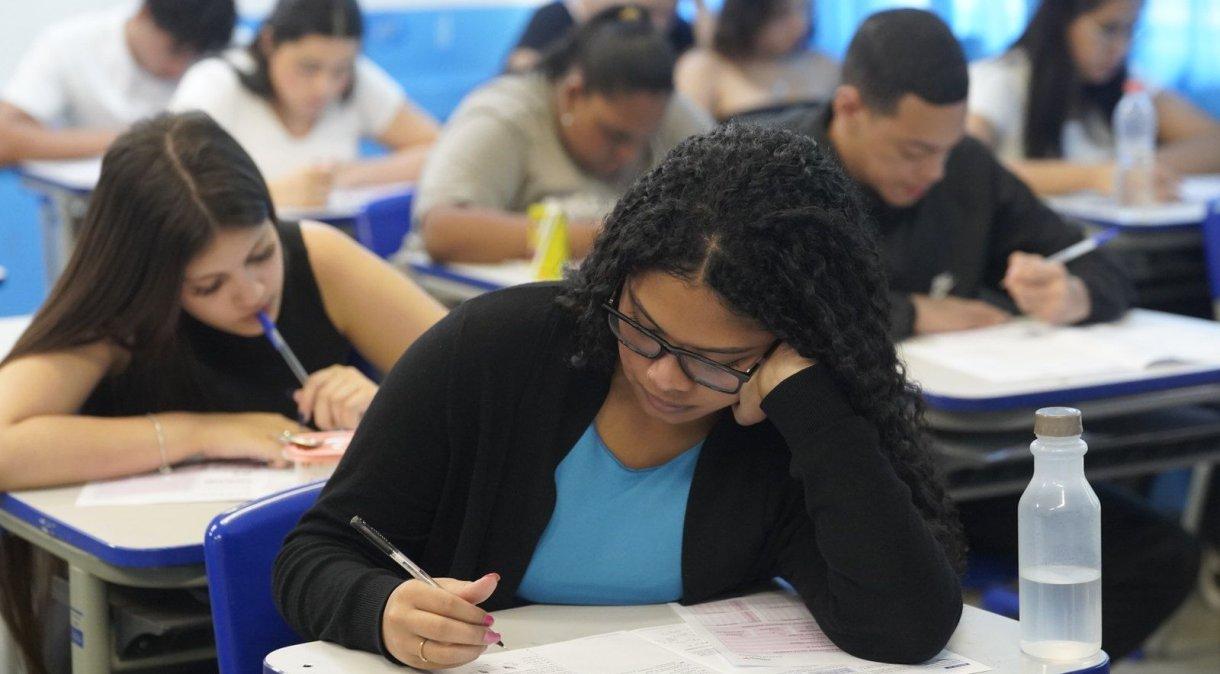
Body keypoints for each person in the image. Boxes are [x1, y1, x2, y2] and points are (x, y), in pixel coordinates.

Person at [274, 124, 966, 669]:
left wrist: (813, 409)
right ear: (615, 278)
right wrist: (382, 608)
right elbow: (316, 554)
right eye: (644, 330)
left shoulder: (788, 425)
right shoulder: (497, 350)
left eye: (715, 361)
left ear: (789, 344)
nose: (665, 376)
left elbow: (902, 628)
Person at [758, 9, 1199, 659]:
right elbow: (756, 305)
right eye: (914, 150)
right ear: (849, 108)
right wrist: (909, 312)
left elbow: (1097, 259)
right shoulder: (782, 173)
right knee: (907, 595)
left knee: (1161, 555)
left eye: (945, 147)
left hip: (970, 467)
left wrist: (1073, 292)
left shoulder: (964, 169)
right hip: (829, 475)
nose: (934, 172)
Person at [0, 112, 446, 674]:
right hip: (166, 612)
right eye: (209, 285)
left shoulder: (318, 258)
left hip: (334, 584)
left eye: (261, 252)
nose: (252, 291)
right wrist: (203, 433)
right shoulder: (122, 311)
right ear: (153, 278)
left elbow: (483, 388)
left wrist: (385, 404)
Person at [410, 5, 711, 265]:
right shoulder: (504, 115)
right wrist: (612, 238)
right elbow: (442, 230)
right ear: (572, 95)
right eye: (615, 136)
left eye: (643, 139)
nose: (628, 154)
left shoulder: (666, 109)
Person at [170, 0, 440, 209]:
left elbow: (439, 150)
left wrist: (351, 177)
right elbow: (169, 180)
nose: (325, 87)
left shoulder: (358, 81)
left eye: (341, 71)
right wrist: (271, 195)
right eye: (308, 68)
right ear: (268, 43)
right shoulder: (217, 82)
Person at [967, 0, 1220, 198]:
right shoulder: (1000, 78)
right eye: (1108, 29)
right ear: (1063, 20)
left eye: (1130, 30)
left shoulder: (1126, 82)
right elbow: (967, 167)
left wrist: (1136, 170)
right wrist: (1095, 176)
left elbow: (1214, 143)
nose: (1121, 48)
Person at [0, 0, 236, 166]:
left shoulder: (220, 62)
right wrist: (130, 141)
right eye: (175, 50)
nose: (180, 69)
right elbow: (4, 136)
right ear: (144, 14)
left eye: (195, 57)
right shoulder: (69, 44)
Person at [676, 0, 838, 122]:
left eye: (805, 10)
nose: (799, 24)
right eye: (781, 13)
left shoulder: (825, 64)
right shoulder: (705, 68)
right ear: (748, 12)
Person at [505, 0, 697, 73]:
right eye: (651, 13)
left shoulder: (680, 30)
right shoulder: (558, 16)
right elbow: (520, 68)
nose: (658, 24)